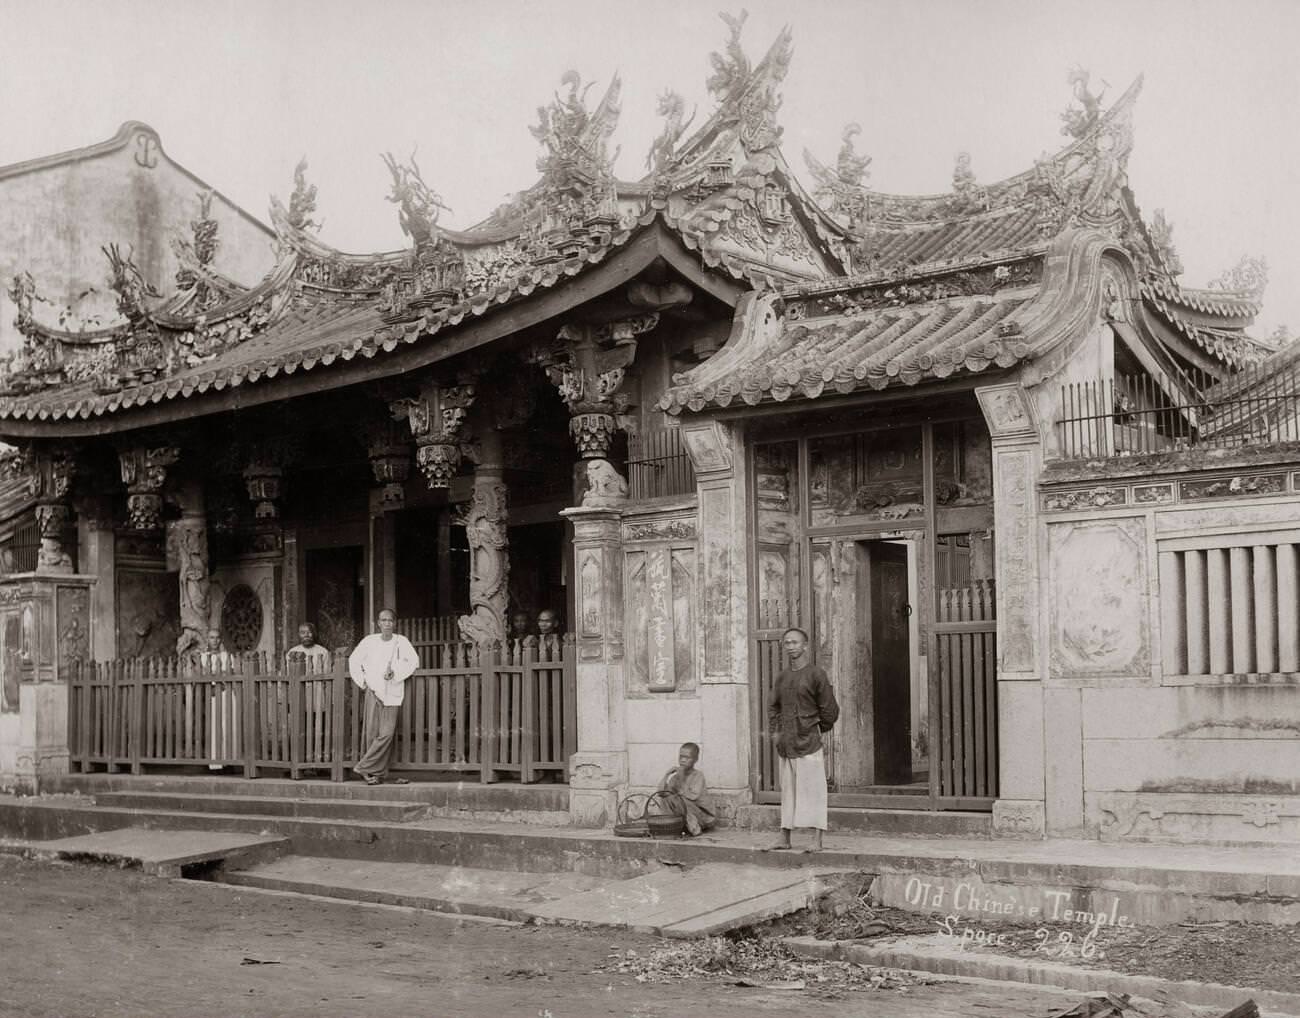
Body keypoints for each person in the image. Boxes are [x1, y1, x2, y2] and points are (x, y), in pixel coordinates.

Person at [767, 627, 840, 852]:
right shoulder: (781, 677)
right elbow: (773, 707)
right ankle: (784, 838)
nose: (791, 647)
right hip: (786, 744)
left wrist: (814, 728)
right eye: (787, 643)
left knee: (814, 791)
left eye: (795, 643)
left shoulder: (816, 674)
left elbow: (830, 710)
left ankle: (817, 840)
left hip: (808, 742)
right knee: (788, 792)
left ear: (805, 646)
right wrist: (776, 733)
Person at [348, 608, 419, 786]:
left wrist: (395, 672)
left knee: (386, 734)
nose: (387, 623)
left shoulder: (401, 641)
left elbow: (413, 661)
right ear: (378, 623)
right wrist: (363, 682)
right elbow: (354, 661)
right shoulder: (369, 641)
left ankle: (363, 766)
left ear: (394, 623)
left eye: (390, 620)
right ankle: (375, 774)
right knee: (372, 733)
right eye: (383, 620)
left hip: (393, 693)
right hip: (373, 691)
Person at [288, 623, 333, 766]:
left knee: (318, 729)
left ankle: (318, 762)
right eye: (302, 632)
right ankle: (296, 761)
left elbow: (327, 676)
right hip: (299, 695)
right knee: (297, 729)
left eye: (309, 632)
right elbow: (288, 678)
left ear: (314, 633)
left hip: (318, 695)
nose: (306, 635)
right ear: (298, 635)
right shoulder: (292, 652)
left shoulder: (323, 652)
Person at [656, 742, 715, 836]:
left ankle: (694, 828)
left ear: (695, 759)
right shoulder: (676, 777)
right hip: (687, 813)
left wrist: (680, 781)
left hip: (702, 816)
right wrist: (667, 775)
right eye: (681, 757)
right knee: (666, 798)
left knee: (677, 799)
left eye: (687, 758)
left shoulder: (698, 775)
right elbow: (661, 792)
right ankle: (673, 825)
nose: (683, 760)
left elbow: (692, 797)